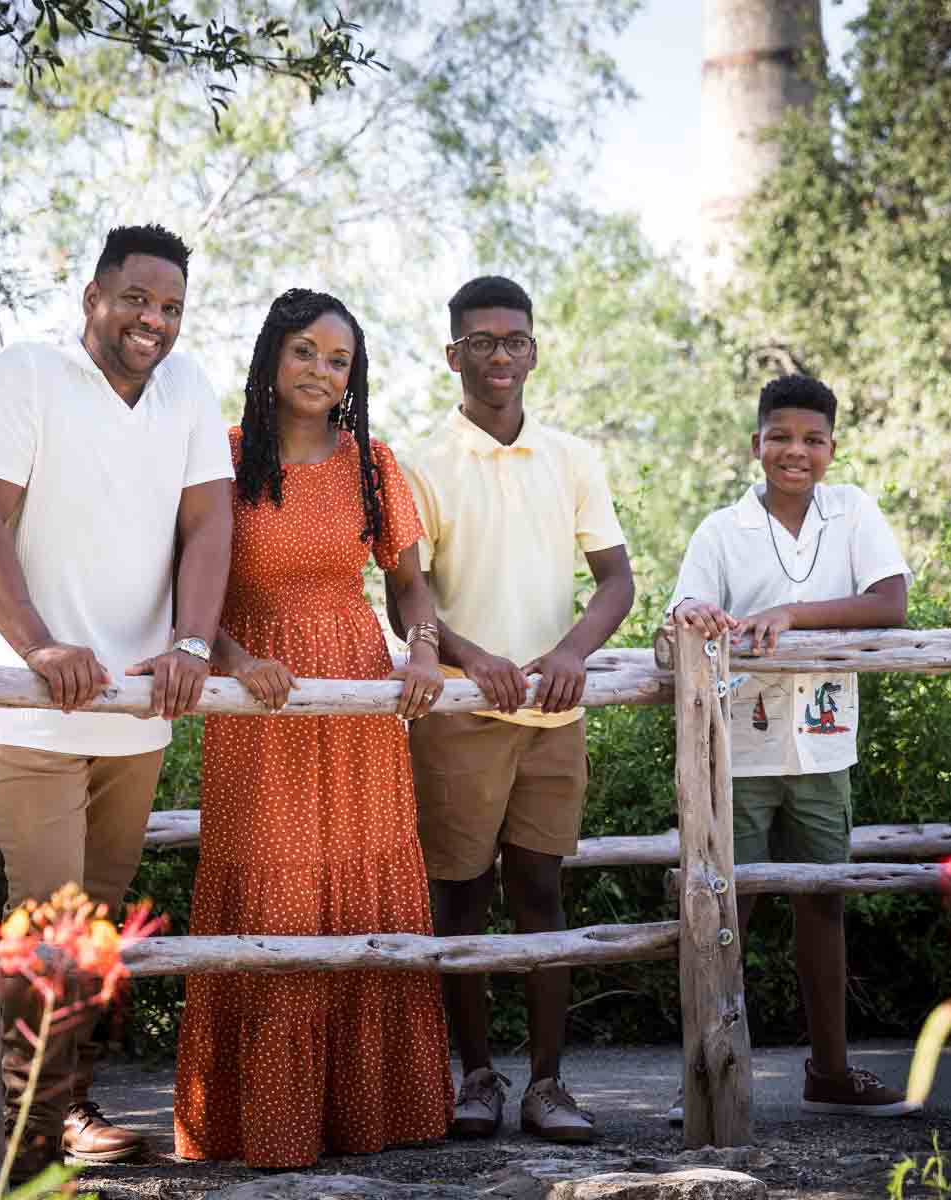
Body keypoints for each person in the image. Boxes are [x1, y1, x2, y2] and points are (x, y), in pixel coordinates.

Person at [0, 223, 233, 1163]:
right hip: (38, 703)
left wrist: (193, 641)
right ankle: (25, 1125)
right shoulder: (24, 376)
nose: (154, 320)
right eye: (138, 300)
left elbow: (207, 527)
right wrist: (37, 644)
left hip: (137, 710)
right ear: (92, 298)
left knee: (98, 923)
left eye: (172, 308)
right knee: (50, 917)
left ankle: (67, 1105)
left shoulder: (187, 389)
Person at [172, 288, 456, 1169]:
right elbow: (184, 582)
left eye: (339, 361)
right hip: (258, 699)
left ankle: (376, 1111)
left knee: (365, 884)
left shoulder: (373, 462)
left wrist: (424, 651)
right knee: (274, 885)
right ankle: (263, 1121)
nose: (321, 372)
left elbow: (409, 586)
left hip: (359, 693)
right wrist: (230, 653)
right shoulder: (218, 458)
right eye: (305, 352)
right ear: (271, 356)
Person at [391, 276, 635, 1145]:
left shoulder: (571, 457)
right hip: (459, 712)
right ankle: (477, 1079)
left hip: (551, 715)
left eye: (516, 340)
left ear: (535, 350)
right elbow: (405, 592)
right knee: (460, 895)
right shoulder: (418, 461)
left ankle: (548, 1084)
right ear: (453, 354)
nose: (502, 355)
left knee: (540, 890)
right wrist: (468, 656)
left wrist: (571, 652)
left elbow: (617, 580)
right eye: (483, 342)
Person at [665, 373, 916, 1117]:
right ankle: (706, 1075)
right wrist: (700, 612)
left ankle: (830, 1072)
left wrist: (794, 614)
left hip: (824, 744)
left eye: (811, 439)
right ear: (756, 444)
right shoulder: (721, 528)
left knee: (823, 903)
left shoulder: (853, 513)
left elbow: (890, 602)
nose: (794, 451)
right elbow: (682, 604)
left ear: (832, 449)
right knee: (723, 909)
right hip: (735, 749)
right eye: (780, 437)